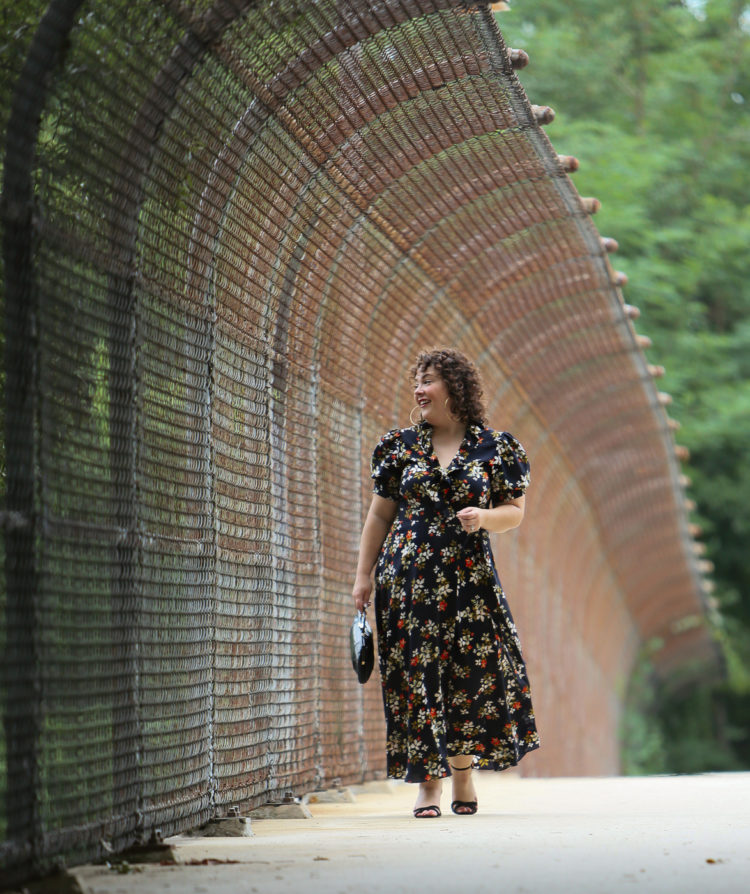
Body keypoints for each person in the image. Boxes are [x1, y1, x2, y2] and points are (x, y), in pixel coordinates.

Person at [352, 348, 540, 818]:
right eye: (418, 378)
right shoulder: (398, 447)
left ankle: (462, 774)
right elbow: (379, 514)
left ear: (456, 388)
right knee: (415, 680)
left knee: (469, 677)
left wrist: (484, 517)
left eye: (430, 379)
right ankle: (428, 787)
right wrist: (363, 577)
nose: (420, 387)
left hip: (469, 584)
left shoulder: (496, 448)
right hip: (407, 582)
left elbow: (514, 514)